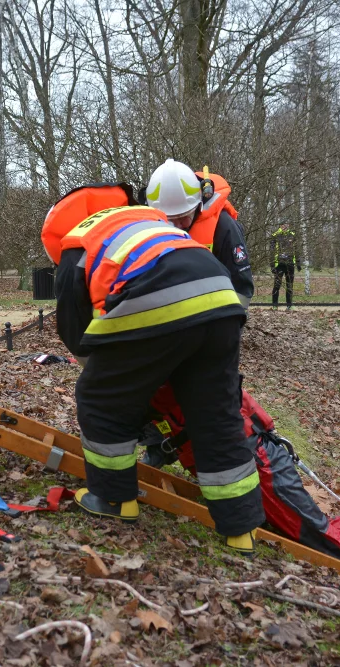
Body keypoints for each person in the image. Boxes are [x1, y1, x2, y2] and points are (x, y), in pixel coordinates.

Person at [42, 189, 265, 556]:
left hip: (161, 301)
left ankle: (114, 500)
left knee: (100, 399)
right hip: (221, 298)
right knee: (215, 412)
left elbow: (76, 335)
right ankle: (241, 527)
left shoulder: (75, 245)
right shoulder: (145, 221)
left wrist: (115, 381)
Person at [144, 383, 340, 596]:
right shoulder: (186, 348)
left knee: (318, 536)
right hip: (256, 450)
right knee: (318, 526)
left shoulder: (164, 361)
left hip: (253, 460)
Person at [143, 159, 254, 310]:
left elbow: (242, 287)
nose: (178, 226)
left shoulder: (224, 227)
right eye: (170, 220)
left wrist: (230, 324)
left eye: (183, 218)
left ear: (198, 204)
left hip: (215, 318)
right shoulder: (145, 228)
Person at [270, 225, 301, 310]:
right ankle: (275, 305)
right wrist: (272, 265)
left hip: (290, 264)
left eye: (287, 224)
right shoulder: (275, 235)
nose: (285, 226)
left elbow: (296, 249)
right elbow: (271, 251)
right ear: (280, 226)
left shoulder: (292, 235)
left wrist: (298, 262)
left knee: (289, 285)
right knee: (277, 285)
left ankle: (289, 305)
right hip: (279, 265)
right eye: (283, 225)